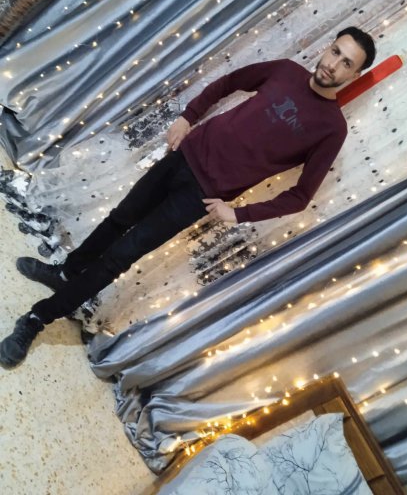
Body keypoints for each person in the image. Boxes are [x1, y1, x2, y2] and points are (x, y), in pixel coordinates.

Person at [0, 26, 376, 367]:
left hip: (201, 196)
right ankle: (65, 272)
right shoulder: (286, 71)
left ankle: (37, 318)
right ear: (327, 47)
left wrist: (238, 214)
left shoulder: (331, 129)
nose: (333, 65)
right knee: (118, 218)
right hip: (181, 157)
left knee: (121, 256)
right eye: (335, 52)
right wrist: (188, 116)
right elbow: (229, 82)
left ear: (354, 75)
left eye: (346, 63)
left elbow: (300, 196)